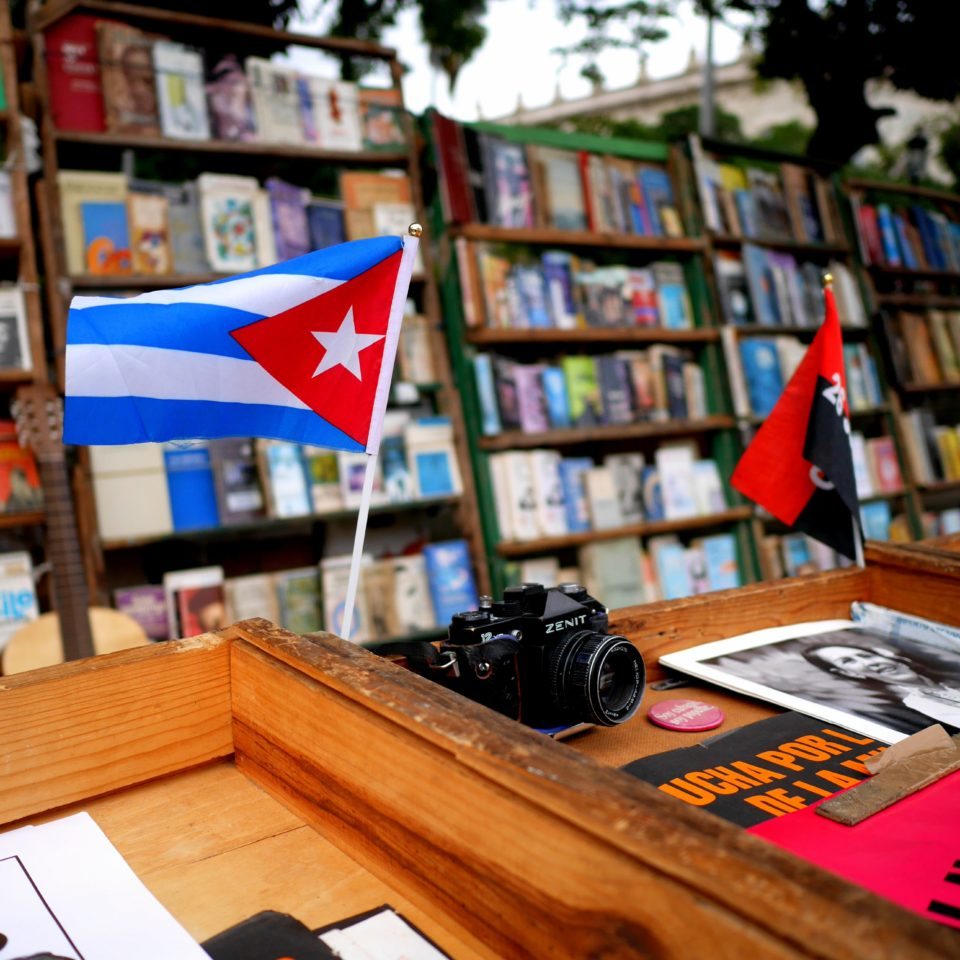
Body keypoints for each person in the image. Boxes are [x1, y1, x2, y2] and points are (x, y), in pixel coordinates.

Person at [802, 641, 960, 729]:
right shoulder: (917, 706)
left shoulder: (953, 676)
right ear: (848, 673)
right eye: (848, 661)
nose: (870, 664)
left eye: (865, 656)